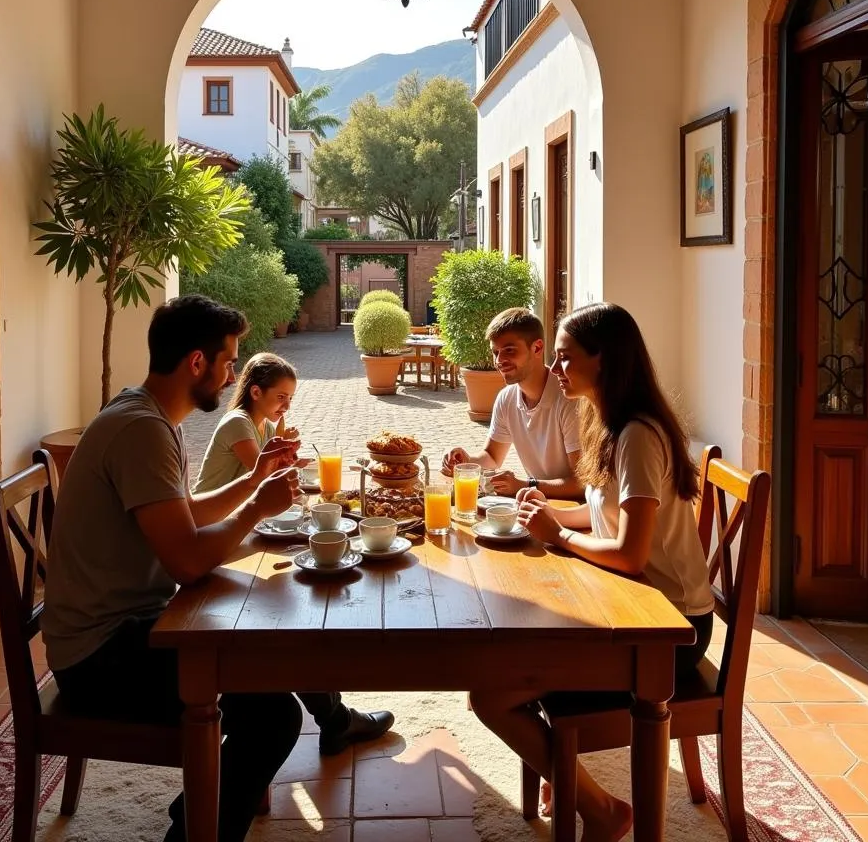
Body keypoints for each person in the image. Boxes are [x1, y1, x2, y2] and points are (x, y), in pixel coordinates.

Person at [43, 295, 306, 842]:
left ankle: (194, 816)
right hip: (100, 658)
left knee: (256, 646)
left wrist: (254, 479)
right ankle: (192, 833)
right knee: (274, 715)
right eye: (229, 361)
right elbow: (186, 561)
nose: (232, 371)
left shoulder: (146, 414)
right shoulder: (142, 431)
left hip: (126, 629)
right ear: (196, 363)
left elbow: (183, 513)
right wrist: (257, 511)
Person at [468, 302, 715, 842]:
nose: (557, 370)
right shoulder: (611, 425)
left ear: (603, 360)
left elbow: (628, 552)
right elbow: (602, 512)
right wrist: (549, 513)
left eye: (564, 358)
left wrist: (559, 536)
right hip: (635, 605)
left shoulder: (639, 437)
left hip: (671, 629)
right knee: (510, 652)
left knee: (491, 694)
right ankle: (575, 785)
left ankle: (602, 810)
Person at [195, 351, 395, 755]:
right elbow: (262, 481)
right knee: (286, 602)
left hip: (237, 527)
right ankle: (336, 718)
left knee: (291, 595)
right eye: (282, 396)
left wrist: (283, 441)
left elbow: (271, 478)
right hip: (213, 532)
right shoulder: (238, 423)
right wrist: (283, 456)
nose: (287, 404)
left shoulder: (260, 423)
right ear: (255, 391)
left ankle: (336, 717)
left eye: (290, 397)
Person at [441, 307, 583, 499]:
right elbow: (492, 457)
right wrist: (466, 461)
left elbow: (582, 483)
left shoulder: (569, 399)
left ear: (537, 348)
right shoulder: (506, 398)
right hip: (537, 505)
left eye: (509, 350)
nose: (500, 360)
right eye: (495, 352)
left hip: (575, 510)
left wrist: (525, 485)